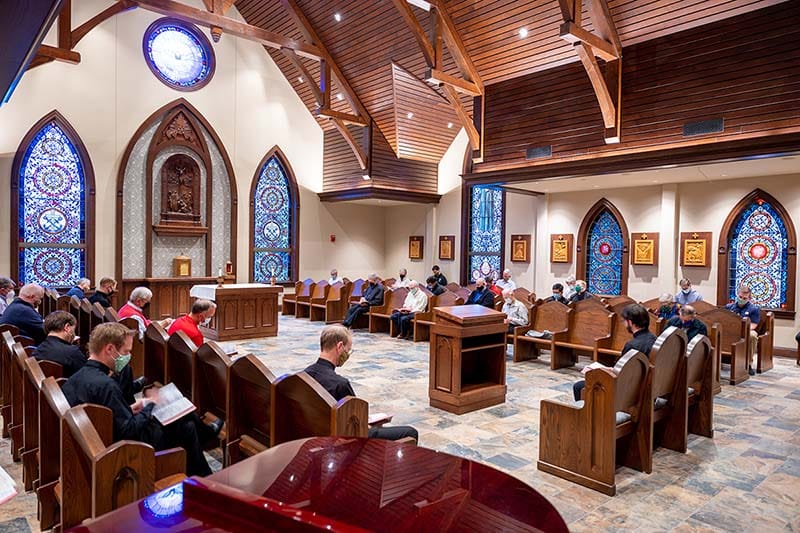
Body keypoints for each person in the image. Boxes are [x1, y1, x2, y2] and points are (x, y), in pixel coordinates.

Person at [62, 323, 219, 476]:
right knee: (187, 426)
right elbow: (129, 430)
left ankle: (203, 473)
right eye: (126, 352)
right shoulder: (106, 385)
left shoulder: (75, 378)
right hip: (124, 450)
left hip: (99, 441)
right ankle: (204, 475)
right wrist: (151, 403)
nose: (128, 357)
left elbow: (107, 414)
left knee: (186, 423)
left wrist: (132, 408)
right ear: (109, 349)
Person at [303, 325, 418, 442]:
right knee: (410, 432)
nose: (347, 354)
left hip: (312, 433)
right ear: (340, 347)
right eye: (348, 350)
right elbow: (356, 424)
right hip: (342, 439)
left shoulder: (303, 375)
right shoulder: (339, 384)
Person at [573, 304, 657, 401]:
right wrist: (608, 368)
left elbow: (620, 375)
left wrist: (599, 371)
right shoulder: (655, 339)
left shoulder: (632, 346)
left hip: (629, 392)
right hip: (645, 387)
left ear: (630, 322)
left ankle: (589, 415)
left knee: (578, 386)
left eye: (624, 321)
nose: (624, 324)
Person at [34, 311, 86, 377]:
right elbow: (87, 376)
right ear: (67, 327)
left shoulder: (38, 350)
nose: (74, 334)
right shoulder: (72, 352)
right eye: (74, 330)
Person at [725, 285, 760, 375]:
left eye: (744, 298)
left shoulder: (754, 309)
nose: (742, 299)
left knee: (753, 335)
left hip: (746, 330)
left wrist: (741, 329)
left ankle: (748, 364)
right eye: (740, 297)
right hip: (730, 330)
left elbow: (753, 325)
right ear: (737, 294)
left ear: (749, 298)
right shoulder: (729, 307)